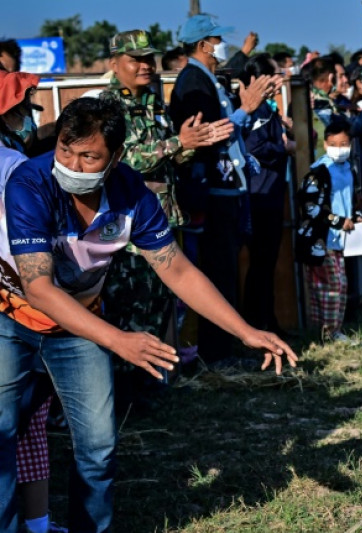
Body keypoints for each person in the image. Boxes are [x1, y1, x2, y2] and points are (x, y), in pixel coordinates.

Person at [0, 96, 296, 533]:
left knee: (98, 446)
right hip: (12, 320)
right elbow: (39, 288)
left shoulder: (132, 195)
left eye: (89, 157)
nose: (73, 166)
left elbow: (177, 269)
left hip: (81, 326)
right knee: (2, 434)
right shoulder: (29, 182)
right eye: (65, 150)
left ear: (116, 156)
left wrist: (244, 330)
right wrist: (118, 340)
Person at [100, 29, 233, 364]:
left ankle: (159, 379)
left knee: (162, 305)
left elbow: (167, 157)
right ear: (115, 64)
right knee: (134, 308)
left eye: (149, 58)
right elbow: (122, 160)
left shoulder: (153, 101)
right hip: (132, 228)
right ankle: (133, 384)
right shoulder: (107, 106)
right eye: (136, 59)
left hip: (163, 218)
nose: (146, 65)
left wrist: (192, 144)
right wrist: (178, 143)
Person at [168, 14, 282, 365]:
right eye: (218, 40)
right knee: (219, 273)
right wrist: (245, 110)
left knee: (227, 270)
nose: (222, 46)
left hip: (227, 189)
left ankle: (225, 349)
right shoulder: (193, 82)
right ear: (204, 44)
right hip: (213, 193)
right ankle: (217, 355)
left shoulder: (207, 79)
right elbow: (207, 135)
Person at [0, 69, 67, 533]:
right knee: (19, 423)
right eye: (24, 108)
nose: (30, 115)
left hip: (16, 301)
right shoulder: (14, 166)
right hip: (21, 304)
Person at [241, 53, 295, 335]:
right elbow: (254, 148)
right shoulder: (255, 111)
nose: (280, 80)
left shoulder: (268, 109)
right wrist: (283, 148)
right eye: (275, 75)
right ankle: (257, 323)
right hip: (259, 195)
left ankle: (266, 320)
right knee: (260, 263)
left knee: (266, 263)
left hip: (271, 192)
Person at [303, 121, 362, 343]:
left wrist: (357, 217)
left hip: (340, 238)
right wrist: (337, 221)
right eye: (334, 144)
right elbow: (310, 206)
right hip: (322, 237)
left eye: (344, 144)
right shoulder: (319, 171)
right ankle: (329, 332)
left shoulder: (349, 168)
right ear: (325, 144)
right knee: (332, 285)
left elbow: (351, 200)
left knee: (338, 284)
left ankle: (326, 330)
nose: (339, 149)